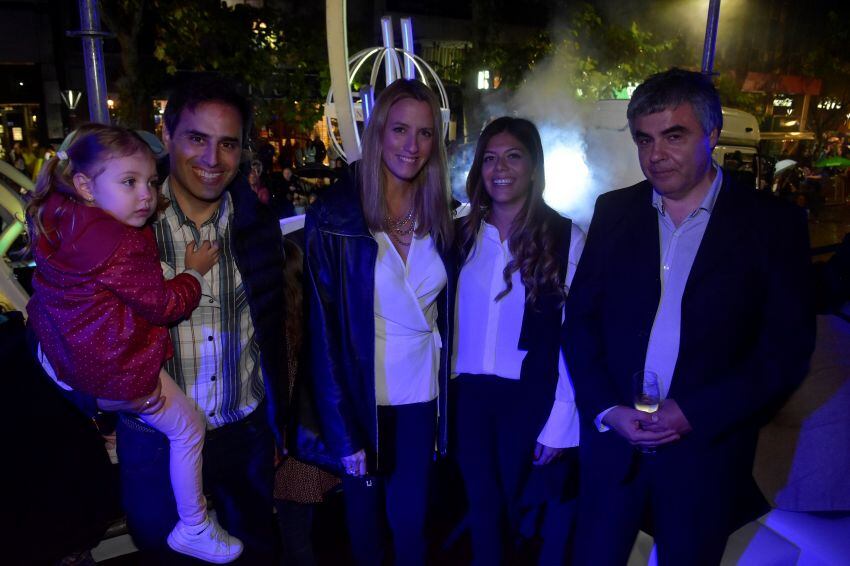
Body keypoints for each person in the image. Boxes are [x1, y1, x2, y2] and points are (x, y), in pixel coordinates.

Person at [564, 68, 815, 565]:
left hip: (705, 456)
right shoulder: (614, 211)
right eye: (645, 139)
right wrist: (608, 409)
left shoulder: (773, 224)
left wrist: (697, 412)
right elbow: (581, 321)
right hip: (614, 450)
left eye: (674, 136)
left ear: (713, 134)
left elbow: (784, 351)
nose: (655, 155)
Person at [25, 123, 243, 563]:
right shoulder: (121, 243)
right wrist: (194, 271)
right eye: (129, 182)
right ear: (85, 185)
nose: (146, 194)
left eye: (149, 181)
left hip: (68, 359)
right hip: (118, 370)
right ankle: (195, 525)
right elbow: (165, 306)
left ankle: (108, 426)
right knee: (189, 429)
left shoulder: (60, 217)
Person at [114, 76, 287, 563]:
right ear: (165, 135)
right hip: (155, 442)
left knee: (253, 553)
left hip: (243, 436)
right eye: (197, 138)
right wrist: (96, 397)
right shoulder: (123, 228)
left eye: (227, 143)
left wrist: (275, 424)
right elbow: (69, 324)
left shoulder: (255, 224)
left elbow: (272, 330)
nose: (212, 159)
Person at [303, 78, 454, 566]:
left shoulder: (445, 217)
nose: (412, 146)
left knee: (412, 530)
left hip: (420, 401)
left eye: (426, 133)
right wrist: (343, 433)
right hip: (360, 400)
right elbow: (321, 335)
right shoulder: (334, 216)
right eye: (400, 130)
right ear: (378, 134)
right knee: (365, 535)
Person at [452, 116, 584, 565]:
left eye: (513, 156)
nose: (499, 168)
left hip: (528, 399)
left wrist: (562, 418)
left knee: (515, 516)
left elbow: (577, 337)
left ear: (533, 167)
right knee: (482, 508)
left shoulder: (566, 237)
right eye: (489, 158)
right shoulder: (458, 234)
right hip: (465, 398)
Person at [274, 236, 341, 566]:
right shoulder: (316, 321)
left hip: (289, 450)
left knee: (295, 539)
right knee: (306, 532)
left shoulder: (276, 334)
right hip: (315, 443)